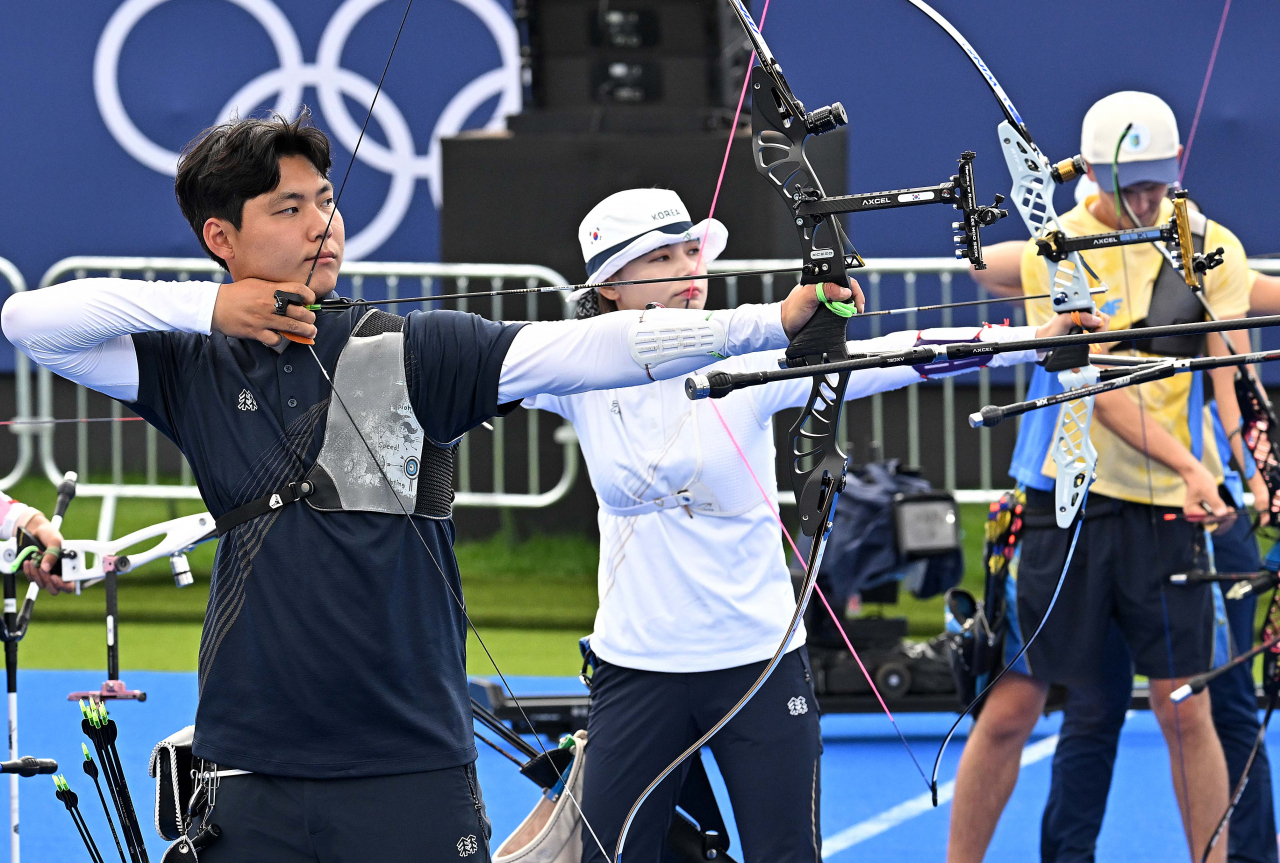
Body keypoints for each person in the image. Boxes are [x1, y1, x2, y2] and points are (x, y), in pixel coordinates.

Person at [0, 112, 863, 863]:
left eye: (325, 202)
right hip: (250, 757)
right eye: (287, 208)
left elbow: (586, 348)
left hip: (409, 760)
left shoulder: (414, 348)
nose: (319, 226)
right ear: (221, 237)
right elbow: (31, 320)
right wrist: (213, 309)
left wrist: (770, 320)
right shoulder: (192, 362)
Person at [540, 188, 1105, 862]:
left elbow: (901, 354)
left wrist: (1032, 343)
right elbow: (468, 364)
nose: (690, 268)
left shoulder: (746, 355)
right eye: (661, 257)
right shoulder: (572, 367)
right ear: (608, 287)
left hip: (757, 662)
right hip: (634, 668)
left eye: (692, 250)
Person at [947, 91, 1256, 863]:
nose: (1147, 200)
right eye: (1131, 186)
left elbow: (1232, 370)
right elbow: (1096, 381)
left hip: (1168, 514)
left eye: (1159, 183)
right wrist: (1191, 465)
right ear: (1091, 176)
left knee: (1187, 708)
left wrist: (1255, 467)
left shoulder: (1211, 244)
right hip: (1068, 501)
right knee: (1015, 703)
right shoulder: (1057, 246)